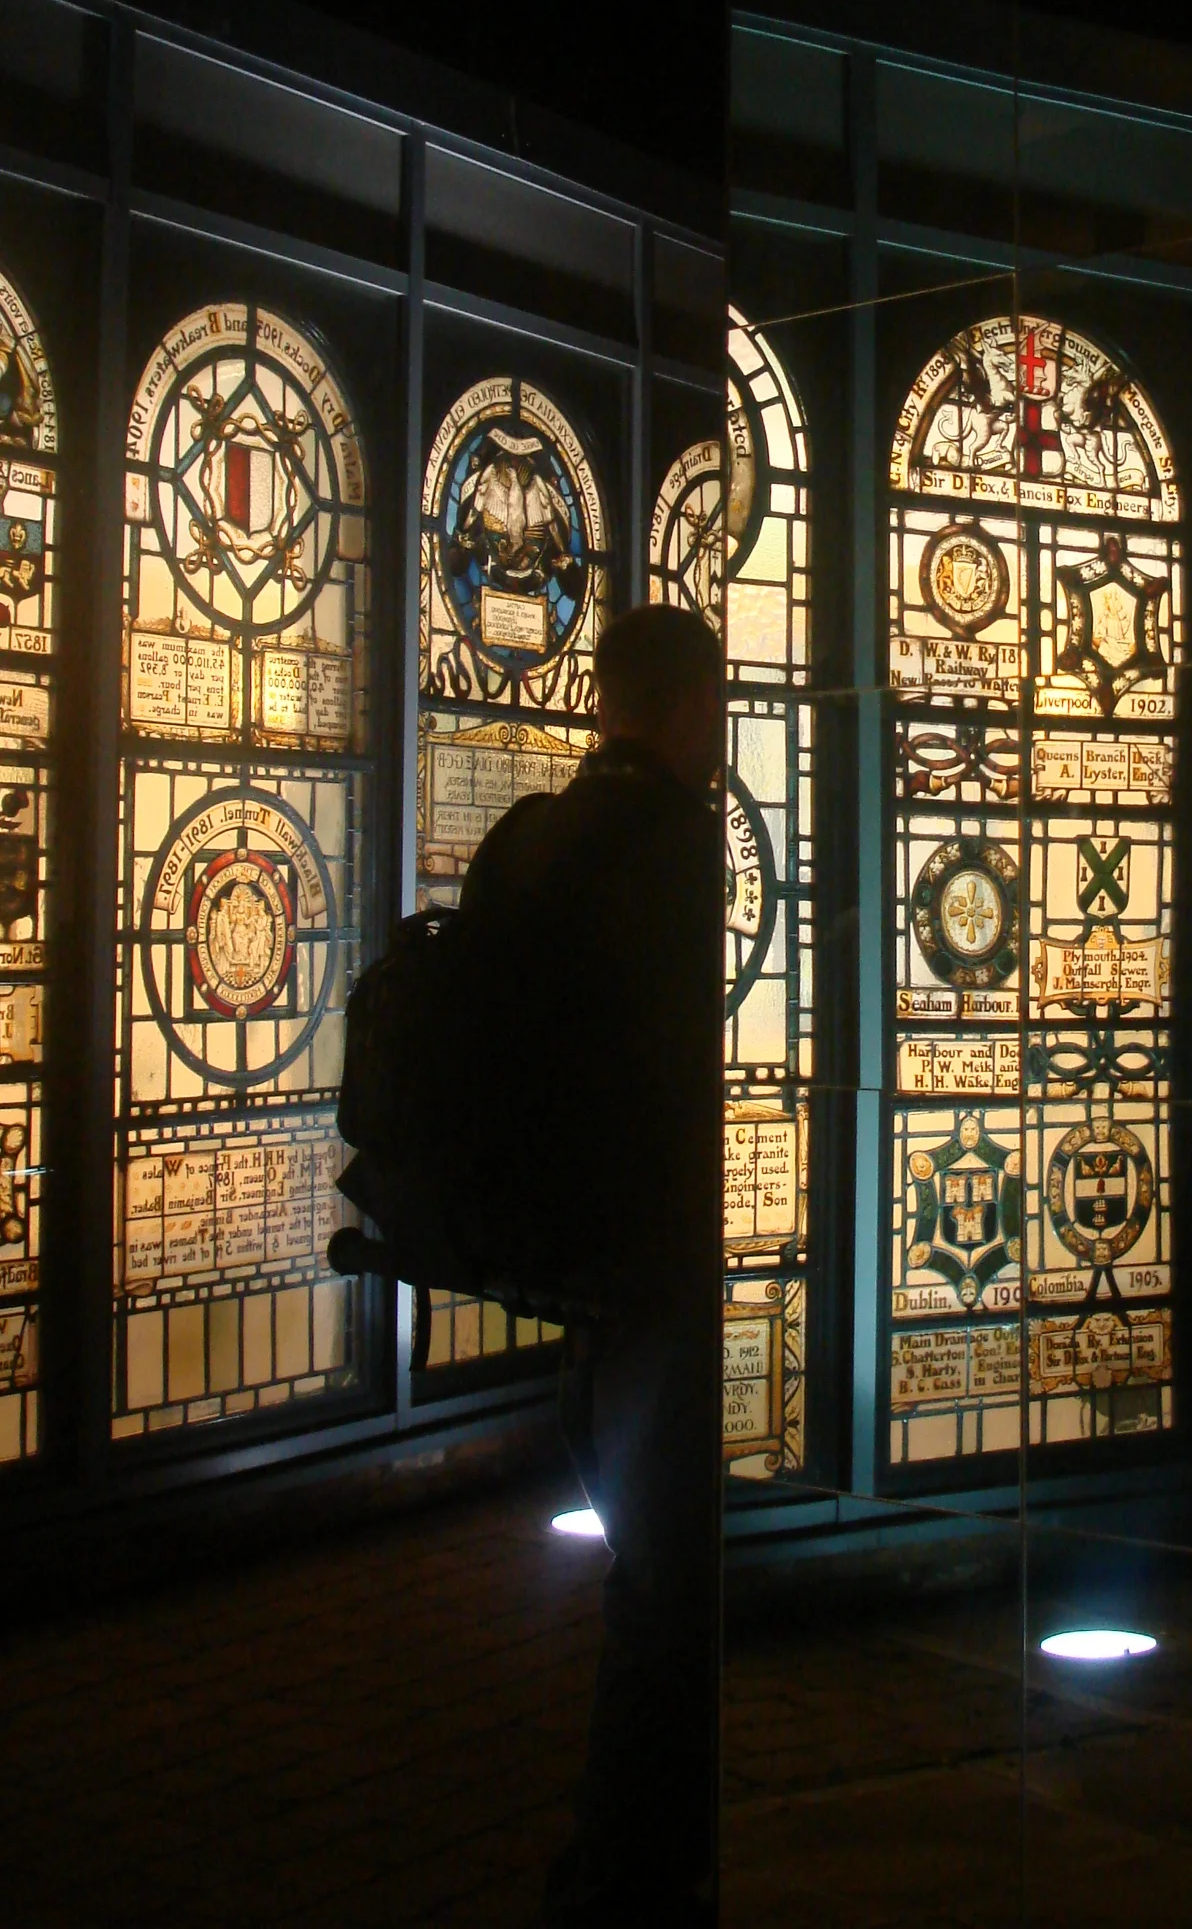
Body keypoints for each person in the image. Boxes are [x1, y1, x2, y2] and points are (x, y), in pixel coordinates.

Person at [463, 601, 724, 1929]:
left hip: (552, 1254)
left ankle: (617, 1866)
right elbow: (675, 1072)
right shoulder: (676, 842)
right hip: (649, 1260)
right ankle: (634, 1876)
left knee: (642, 1566)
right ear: (688, 710)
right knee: (669, 1589)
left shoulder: (533, 835)